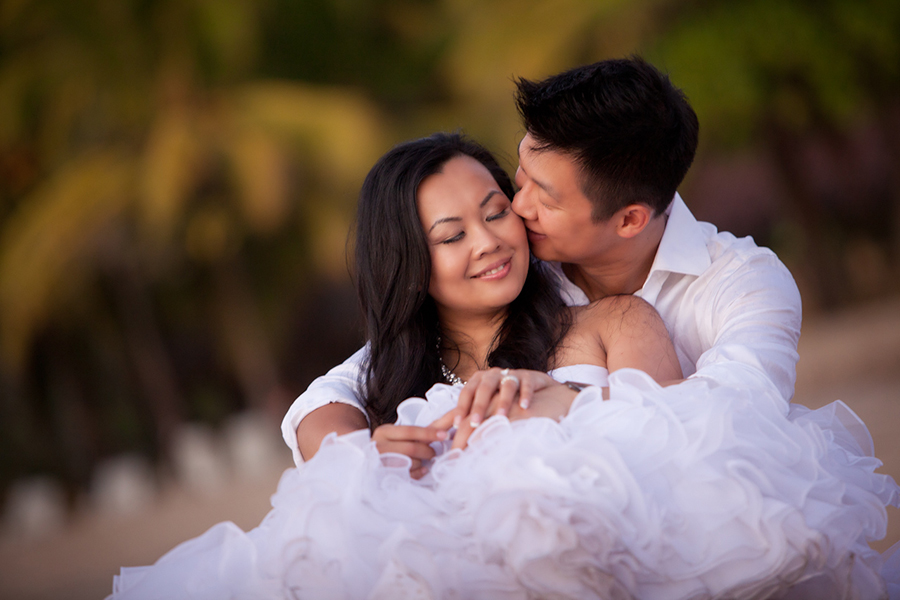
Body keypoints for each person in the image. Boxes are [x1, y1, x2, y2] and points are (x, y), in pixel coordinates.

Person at [108, 133, 898, 599]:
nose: (489, 241)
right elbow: (320, 405)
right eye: (451, 236)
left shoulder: (613, 319)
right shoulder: (391, 374)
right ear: (410, 265)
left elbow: (698, 463)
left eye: (496, 211)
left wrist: (557, 398)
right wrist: (350, 452)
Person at [283, 56, 802, 467]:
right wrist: (353, 455)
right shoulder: (512, 269)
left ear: (629, 220)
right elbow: (343, 386)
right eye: (520, 174)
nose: (517, 207)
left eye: (544, 197)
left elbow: (740, 416)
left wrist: (571, 403)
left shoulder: (742, 284)